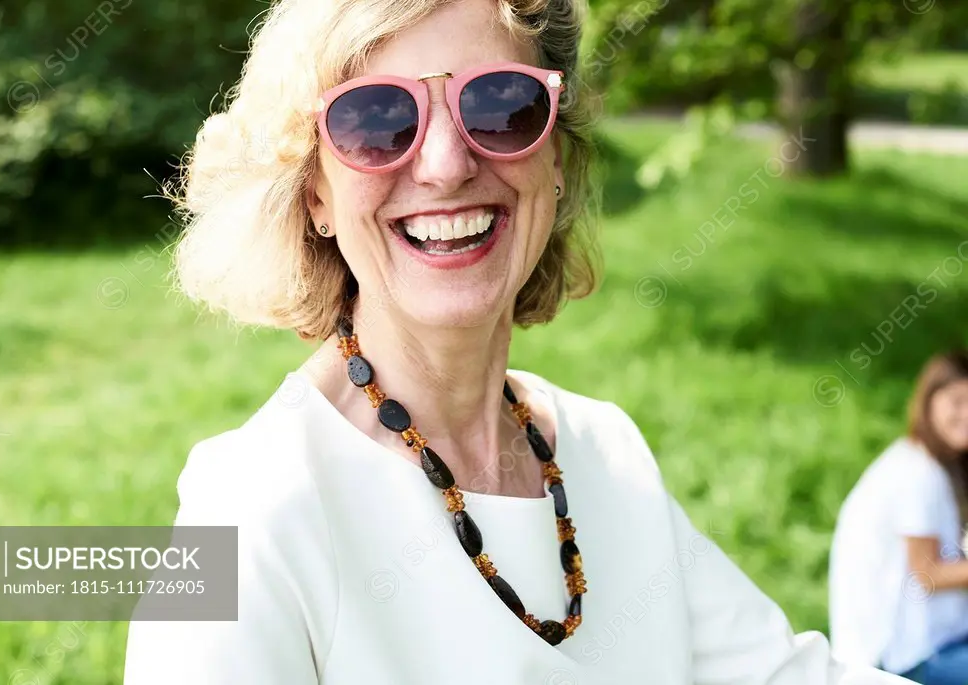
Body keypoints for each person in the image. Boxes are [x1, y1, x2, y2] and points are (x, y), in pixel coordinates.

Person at [122, 0, 907, 682]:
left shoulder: (604, 451)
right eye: (376, 119)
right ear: (316, 190)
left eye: (500, 105)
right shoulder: (252, 508)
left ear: (556, 157)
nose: (444, 165)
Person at [830, 350, 968, 684]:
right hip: (898, 657)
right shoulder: (917, 473)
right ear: (928, 401)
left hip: (930, 641)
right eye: (957, 400)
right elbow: (927, 573)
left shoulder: (934, 465)